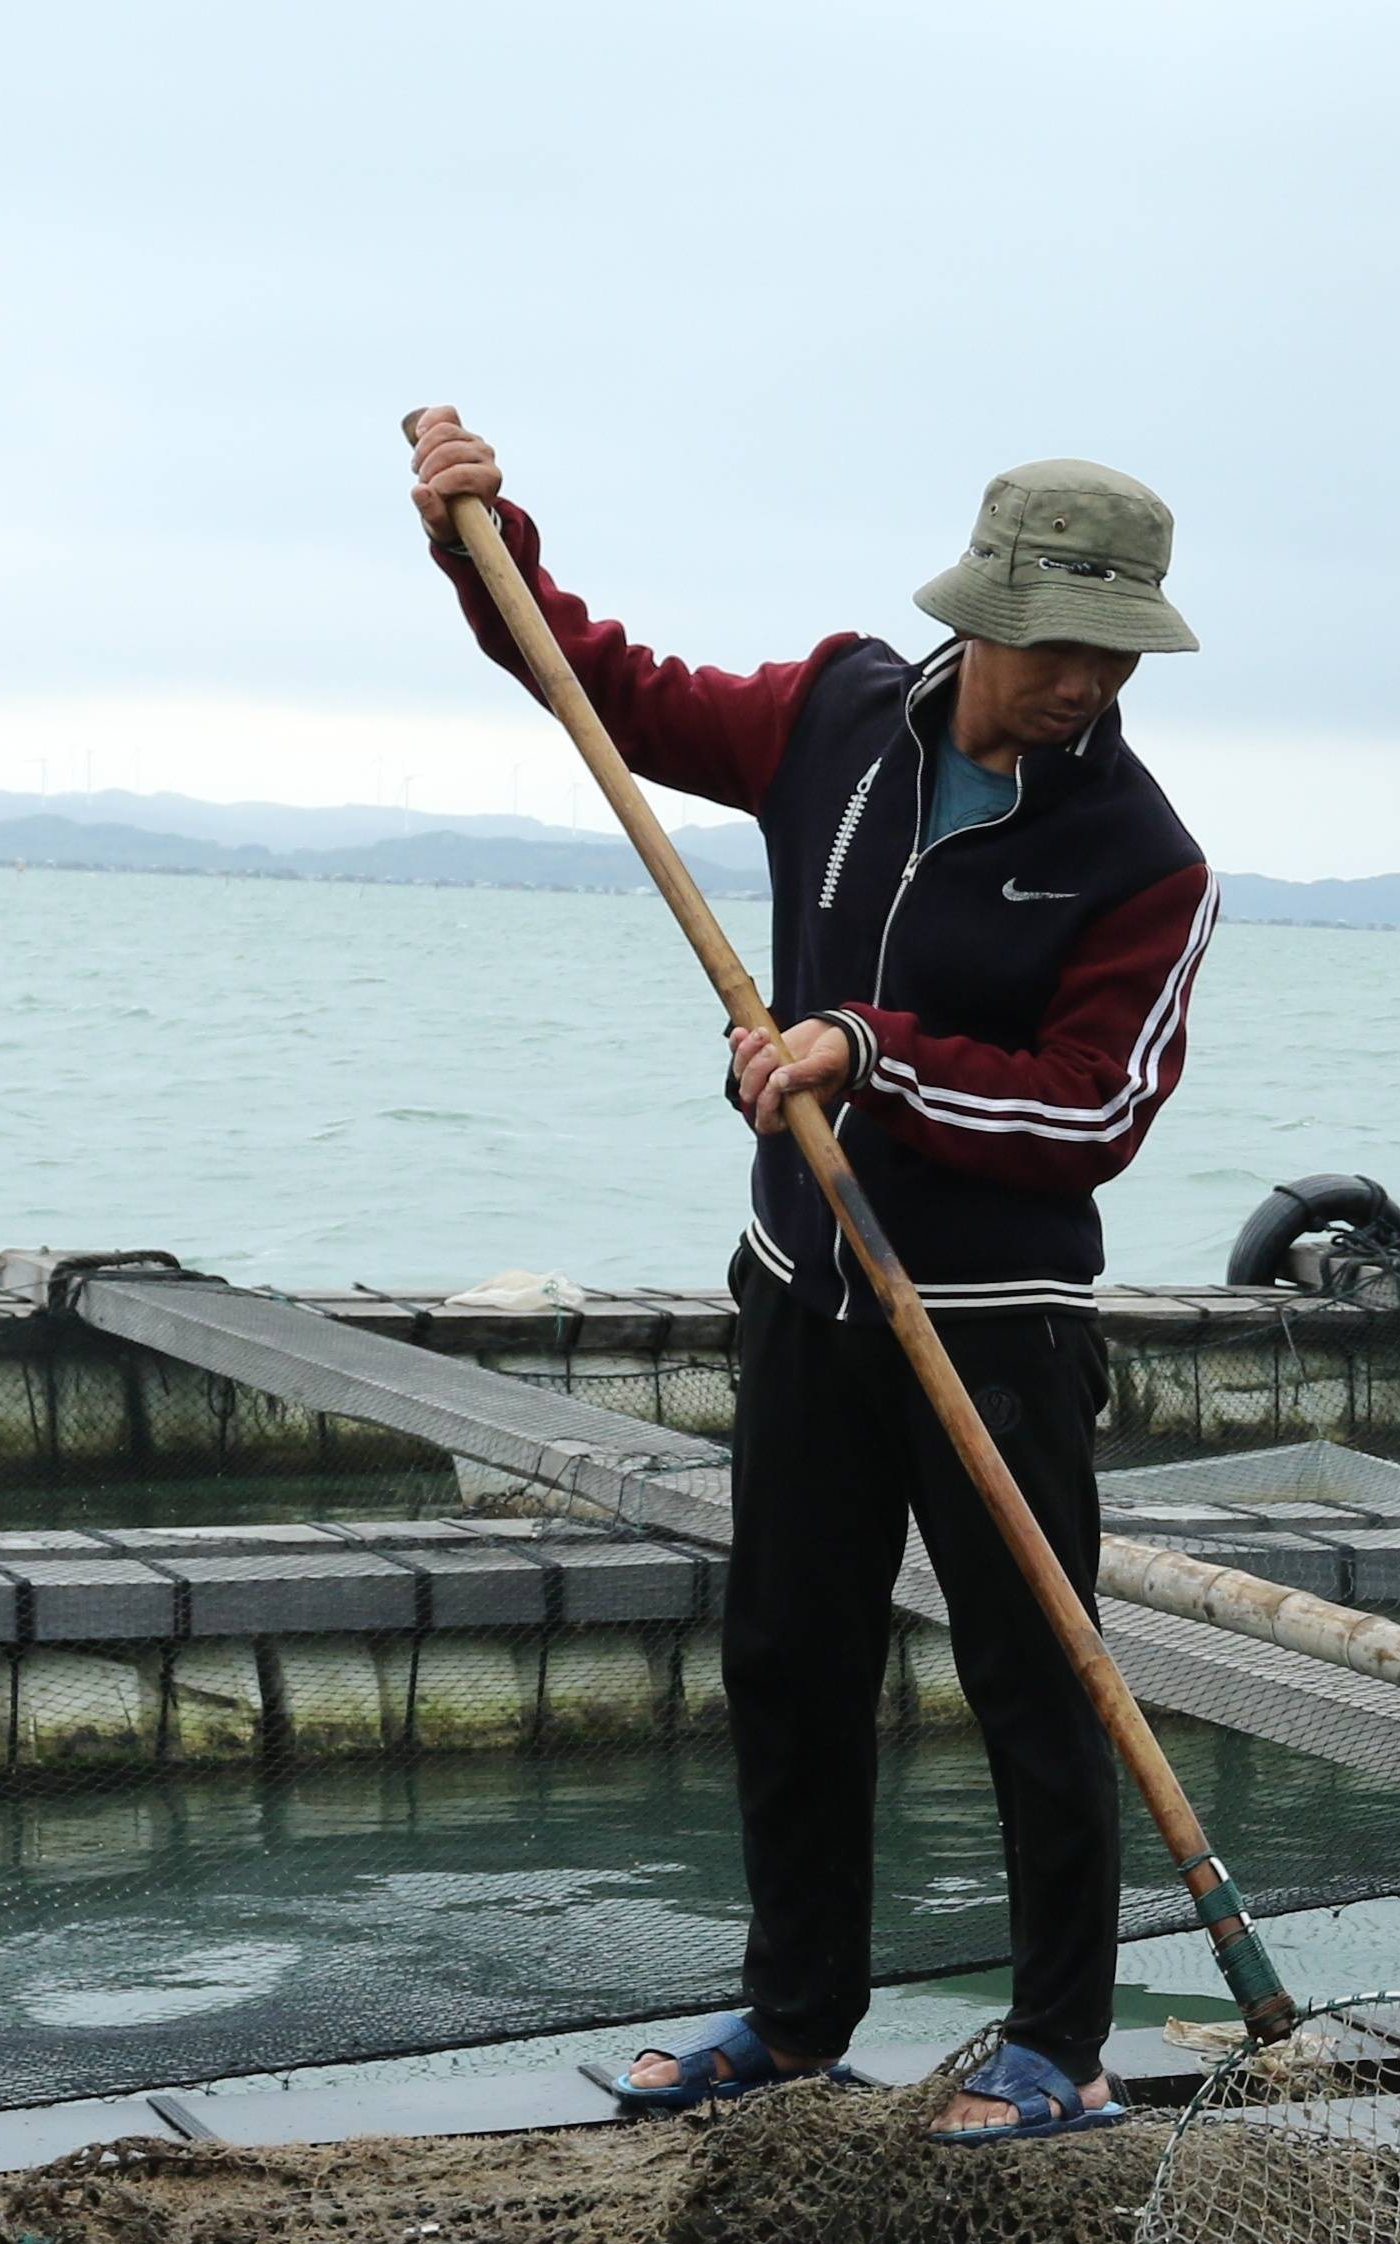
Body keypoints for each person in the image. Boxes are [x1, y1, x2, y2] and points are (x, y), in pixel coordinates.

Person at [406, 410, 1220, 2139]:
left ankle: (1060, 2044)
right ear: (982, 619)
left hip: (994, 1328)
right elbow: (601, 687)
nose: (1087, 682)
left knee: (1035, 1676)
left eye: (1116, 652)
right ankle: (792, 2023)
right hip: (804, 1283)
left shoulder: (1142, 858)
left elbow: (1096, 1110)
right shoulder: (837, 717)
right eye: (1062, 644)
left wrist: (869, 1050)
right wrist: (488, 545)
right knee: (788, 1651)